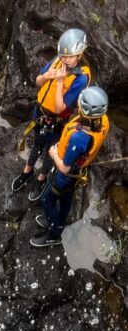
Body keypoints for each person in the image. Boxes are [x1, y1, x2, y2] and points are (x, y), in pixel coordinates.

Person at [12, 28, 91, 202]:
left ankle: (41, 179)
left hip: (57, 120)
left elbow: (59, 108)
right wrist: (47, 76)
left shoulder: (80, 78)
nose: (65, 60)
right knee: (37, 142)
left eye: (70, 56)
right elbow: (38, 81)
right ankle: (27, 171)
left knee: (50, 150)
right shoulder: (57, 60)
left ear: (79, 55)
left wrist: (60, 81)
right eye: (63, 55)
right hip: (40, 111)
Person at [30, 86, 110, 248]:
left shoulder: (79, 137)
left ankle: (54, 234)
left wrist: (54, 154)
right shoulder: (103, 121)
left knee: (46, 201)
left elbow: (65, 168)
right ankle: (58, 221)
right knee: (66, 197)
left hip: (66, 174)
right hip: (78, 171)